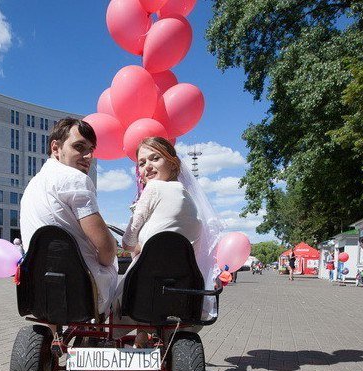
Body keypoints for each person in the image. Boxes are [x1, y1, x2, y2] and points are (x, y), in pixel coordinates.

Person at [116, 137, 222, 345]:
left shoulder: (153, 189)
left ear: (173, 163)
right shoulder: (191, 201)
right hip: (184, 289)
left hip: (141, 290)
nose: (147, 167)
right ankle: (147, 336)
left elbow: (128, 242)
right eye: (142, 163)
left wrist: (136, 246)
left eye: (154, 158)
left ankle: (127, 337)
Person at [20, 117, 118, 316]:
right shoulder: (76, 179)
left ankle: (55, 336)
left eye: (91, 149)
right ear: (56, 148)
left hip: (39, 291)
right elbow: (106, 249)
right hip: (84, 292)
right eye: (79, 147)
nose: (88, 155)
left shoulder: (32, 186)